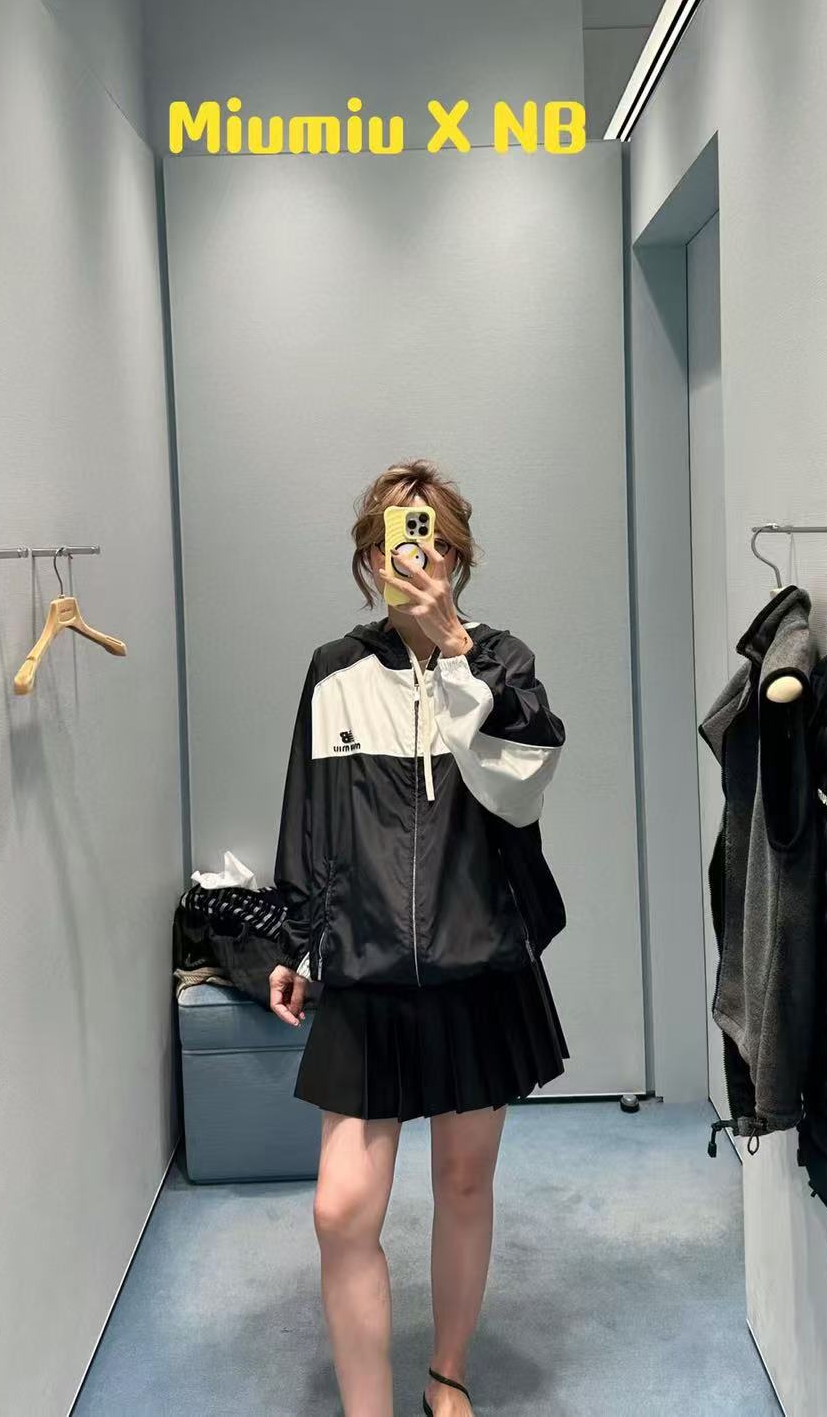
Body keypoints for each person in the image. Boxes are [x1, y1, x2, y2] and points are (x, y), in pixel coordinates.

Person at [268, 458, 570, 1417]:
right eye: (396, 541)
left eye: (432, 541)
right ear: (370, 558)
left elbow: (520, 791)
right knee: (340, 1210)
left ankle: (447, 1375)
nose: (414, 558)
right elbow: (307, 820)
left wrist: (456, 658)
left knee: (463, 1184)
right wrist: (293, 944)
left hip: (478, 962)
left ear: (457, 557)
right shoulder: (334, 672)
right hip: (365, 972)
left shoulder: (503, 663)